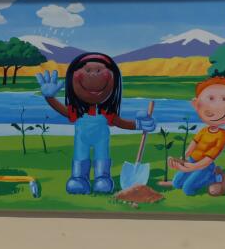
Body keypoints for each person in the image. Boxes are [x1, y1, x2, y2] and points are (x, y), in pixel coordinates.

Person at [36, 53, 156, 194]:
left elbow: (120, 122)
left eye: (99, 70)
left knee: (102, 156)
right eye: (87, 70)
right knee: (80, 156)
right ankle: (79, 178)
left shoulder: (106, 112)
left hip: (101, 140)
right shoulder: (77, 111)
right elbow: (63, 110)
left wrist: (139, 124)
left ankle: (102, 178)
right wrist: (49, 98)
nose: (93, 75)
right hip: (82, 140)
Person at [169, 76, 225, 197]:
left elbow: (209, 158)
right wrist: (183, 158)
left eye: (224, 99)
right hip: (193, 160)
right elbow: (193, 144)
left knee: (188, 190)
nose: (215, 108)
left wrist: (191, 168)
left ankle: (216, 176)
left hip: (204, 166)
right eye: (210, 98)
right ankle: (202, 176)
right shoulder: (204, 130)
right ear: (196, 104)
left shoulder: (222, 134)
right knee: (176, 184)